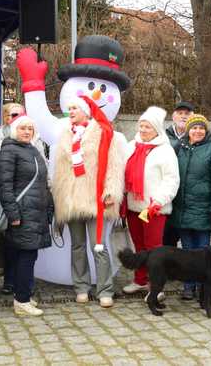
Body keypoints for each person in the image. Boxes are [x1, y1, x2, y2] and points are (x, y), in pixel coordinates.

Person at [52, 96, 125, 308]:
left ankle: (104, 289)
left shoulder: (102, 132)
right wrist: (59, 197)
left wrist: (111, 190)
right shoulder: (65, 135)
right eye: (69, 108)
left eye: (74, 108)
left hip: (95, 199)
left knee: (98, 247)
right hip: (71, 200)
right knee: (77, 246)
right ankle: (81, 287)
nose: (71, 111)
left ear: (86, 111)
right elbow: (59, 172)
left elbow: (114, 164)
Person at [0, 115, 52, 316]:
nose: (27, 132)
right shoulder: (9, 151)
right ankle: (21, 301)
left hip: (35, 212)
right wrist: (13, 214)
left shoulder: (32, 149)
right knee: (25, 256)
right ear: (14, 130)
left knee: (29, 255)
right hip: (22, 213)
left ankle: (24, 294)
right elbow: (5, 186)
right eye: (22, 128)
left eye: (30, 128)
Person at [167, 114, 211, 300]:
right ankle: (188, 285)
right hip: (182, 209)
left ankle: (204, 287)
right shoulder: (179, 148)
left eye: (201, 128)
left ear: (206, 130)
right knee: (186, 251)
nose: (198, 131)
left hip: (204, 209)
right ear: (188, 130)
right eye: (194, 128)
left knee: (203, 252)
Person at [0, 102, 46, 292]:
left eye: (23, 115)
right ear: (6, 118)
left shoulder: (34, 143)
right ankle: (13, 283)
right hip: (8, 200)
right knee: (10, 242)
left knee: (24, 247)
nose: (20, 120)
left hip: (30, 203)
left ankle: (21, 286)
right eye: (14, 115)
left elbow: (42, 173)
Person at [122, 107, 180, 296]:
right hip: (133, 206)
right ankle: (140, 280)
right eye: (141, 126)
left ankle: (156, 287)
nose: (143, 130)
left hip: (153, 208)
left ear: (157, 129)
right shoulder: (131, 146)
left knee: (154, 250)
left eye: (148, 127)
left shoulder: (165, 150)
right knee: (138, 247)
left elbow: (171, 180)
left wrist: (158, 201)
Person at [163, 101, 195, 247]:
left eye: (187, 114)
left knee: (189, 243)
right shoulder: (161, 136)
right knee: (167, 240)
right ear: (173, 116)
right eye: (180, 113)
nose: (183, 117)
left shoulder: (200, 136)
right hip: (167, 196)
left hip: (189, 197)